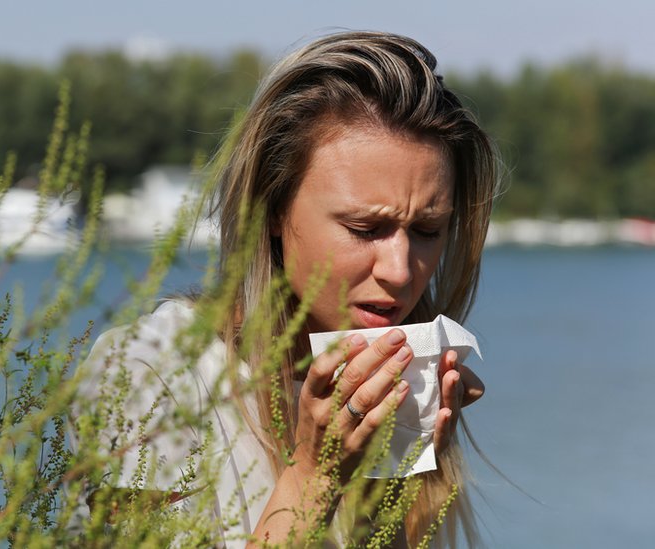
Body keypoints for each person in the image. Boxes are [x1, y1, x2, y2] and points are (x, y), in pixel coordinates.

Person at [73, 31, 497, 548]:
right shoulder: (149, 374)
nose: (400, 270)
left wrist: (389, 470)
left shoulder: (393, 387)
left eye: (428, 231)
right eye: (365, 229)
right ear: (272, 209)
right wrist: (314, 480)